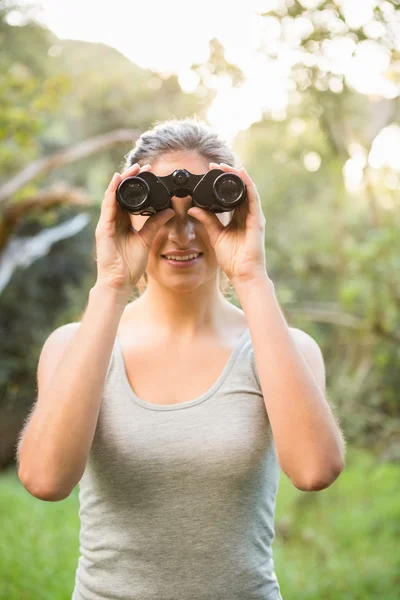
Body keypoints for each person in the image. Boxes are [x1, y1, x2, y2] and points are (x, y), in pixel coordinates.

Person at [17, 118, 345, 600]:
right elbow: (46, 479)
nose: (183, 235)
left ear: (233, 213)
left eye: (203, 213)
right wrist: (111, 282)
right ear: (127, 213)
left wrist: (252, 275)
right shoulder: (74, 347)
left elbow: (315, 470)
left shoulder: (283, 349)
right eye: (161, 215)